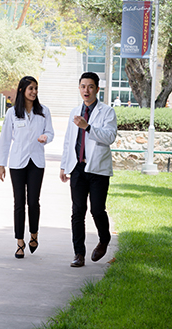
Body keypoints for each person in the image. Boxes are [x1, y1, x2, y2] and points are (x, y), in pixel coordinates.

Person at [60, 72, 117, 268]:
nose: (86, 90)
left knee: (97, 210)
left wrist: (88, 127)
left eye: (90, 86)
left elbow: (109, 137)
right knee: (77, 211)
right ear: (79, 88)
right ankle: (79, 254)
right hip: (77, 167)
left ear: (97, 89)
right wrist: (63, 165)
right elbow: (69, 141)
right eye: (83, 86)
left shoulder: (107, 112)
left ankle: (104, 238)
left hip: (98, 169)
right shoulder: (74, 112)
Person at [0, 76, 54, 259]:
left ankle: (34, 234)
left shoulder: (44, 111)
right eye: (31, 88)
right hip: (17, 162)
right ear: (22, 90)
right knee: (19, 202)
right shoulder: (12, 113)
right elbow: (5, 139)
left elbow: (50, 132)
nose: (34, 92)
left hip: (36, 162)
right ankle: (20, 242)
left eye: (36, 88)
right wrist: (1, 164)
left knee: (34, 201)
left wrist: (46, 137)